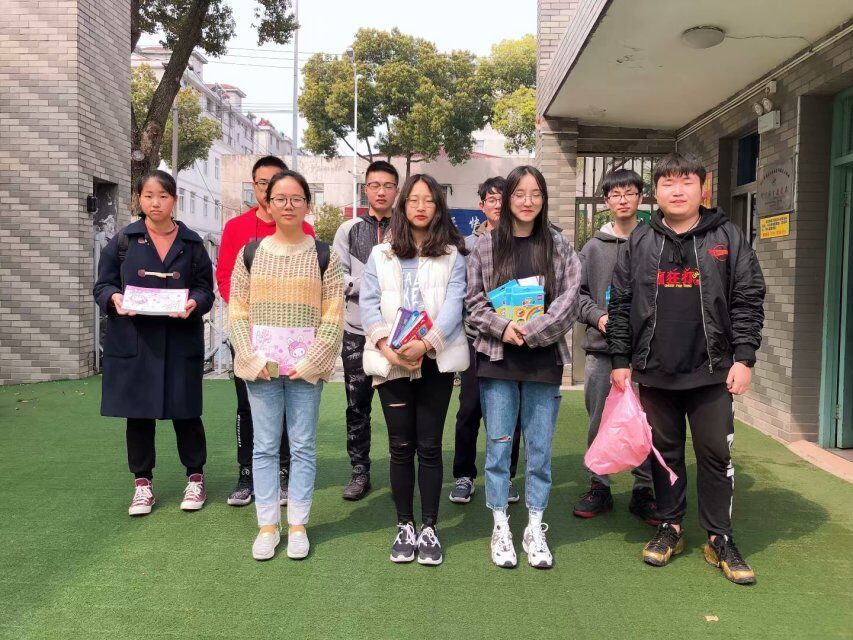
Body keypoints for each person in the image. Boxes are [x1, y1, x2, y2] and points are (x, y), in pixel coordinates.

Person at [607, 153, 765, 585]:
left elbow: (748, 297)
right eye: (668, 183)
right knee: (665, 454)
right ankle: (670, 526)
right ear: (656, 192)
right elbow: (620, 302)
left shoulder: (727, 236)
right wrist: (620, 359)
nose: (677, 191)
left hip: (712, 370)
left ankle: (719, 537)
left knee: (715, 453)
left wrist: (744, 356)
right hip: (655, 370)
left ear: (703, 187)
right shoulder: (641, 240)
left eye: (686, 182)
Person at [467, 165, 581, 570]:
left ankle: (534, 526)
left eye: (535, 194)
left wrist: (532, 331)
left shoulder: (558, 245)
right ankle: (500, 525)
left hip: (543, 359)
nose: (527, 201)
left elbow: (570, 298)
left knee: (540, 450)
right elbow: (473, 302)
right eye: (519, 194)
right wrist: (504, 328)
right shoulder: (485, 246)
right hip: (498, 359)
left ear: (544, 198)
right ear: (506, 198)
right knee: (499, 447)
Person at [229, 169, 344, 561]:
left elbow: (333, 315)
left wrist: (314, 360)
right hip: (261, 370)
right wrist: (249, 357)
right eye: (280, 198)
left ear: (308, 204)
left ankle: (297, 525)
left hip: (305, 373)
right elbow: (237, 310)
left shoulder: (325, 256)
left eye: (297, 198)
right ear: (268, 203)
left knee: (303, 447)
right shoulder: (250, 254)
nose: (288, 205)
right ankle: (267, 525)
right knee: (263, 448)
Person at [360, 173, 468, 566]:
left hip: (436, 361)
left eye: (429, 200)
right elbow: (368, 304)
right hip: (392, 363)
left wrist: (426, 344)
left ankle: (429, 526)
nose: (421, 207)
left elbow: (455, 307)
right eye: (413, 200)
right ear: (402, 206)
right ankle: (404, 524)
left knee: (430, 446)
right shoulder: (381, 254)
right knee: (400, 447)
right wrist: (387, 349)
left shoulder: (453, 255)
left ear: (438, 208)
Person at [94, 170, 214, 517]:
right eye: (148, 196)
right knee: (139, 416)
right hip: (136, 342)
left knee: (186, 413)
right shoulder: (123, 241)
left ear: (174, 200)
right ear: (139, 199)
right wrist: (114, 298)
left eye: (163, 196)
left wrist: (194, 303)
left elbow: (206, 290)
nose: (155, 203)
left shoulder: (192, 244)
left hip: (180, 341)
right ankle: (142, 484)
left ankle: (195, 477)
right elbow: (102, 286)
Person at [216, 156, 316, 508]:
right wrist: (245, 327)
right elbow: (226, 278)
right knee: (248, 408)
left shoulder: (308, 235)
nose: (284, 201)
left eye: (292, 195)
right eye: (265, 184)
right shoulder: (236, 229)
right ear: (259, 189)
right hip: (251, 338)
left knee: (293, 413)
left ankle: (286, 472)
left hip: (295, 344)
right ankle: (247, 473)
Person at [573, 169, 658, 524]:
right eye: (615, 194)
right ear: (606, 201)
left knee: (649, 420)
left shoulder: (655, 241)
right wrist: (599, 318)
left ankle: (645, 489)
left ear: (641, 197)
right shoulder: (592, 248)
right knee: (600, 418)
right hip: (602, 349)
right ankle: (599, 485)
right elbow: (577, 297)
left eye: (629, 193)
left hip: (647, 350)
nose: (623, 200)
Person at [450, 176, 522, 505]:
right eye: (491, 199)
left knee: (510, 413)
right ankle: (464, 475)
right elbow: (461, 293)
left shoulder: (523, 240)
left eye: (502, 198)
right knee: (469, 408)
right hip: (474, 337)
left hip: (512, 338)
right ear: (482, 206)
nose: (497, 205)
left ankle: (506, 475)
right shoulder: (466, 246)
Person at [333, 160, 399, 500]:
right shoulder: (349, 229)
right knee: (357, 404)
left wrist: (379, 289)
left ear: (396, 190)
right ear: (366, 190)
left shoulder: (406, 228)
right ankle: (360, 470)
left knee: (399, 405)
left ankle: (401, 469)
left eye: (388, 185)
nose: (381, 191)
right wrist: (373, 285)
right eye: (375, 185)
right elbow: (337, 276)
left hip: (398, 333)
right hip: (357, 330)